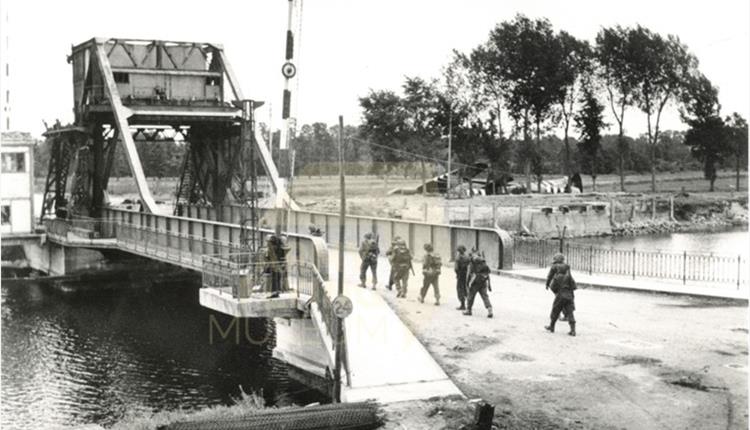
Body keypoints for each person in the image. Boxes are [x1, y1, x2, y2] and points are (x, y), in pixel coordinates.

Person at [544, 253, 577, 336]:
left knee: (555, 310)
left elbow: (552, 286)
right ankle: (573, 330)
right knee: (570, 312)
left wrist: (547, 285)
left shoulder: (557, 277)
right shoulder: (568, 275)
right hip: (569, 295)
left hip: (560, 295)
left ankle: (552, 327)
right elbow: (574, 286)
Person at [463, 252, 493, 318]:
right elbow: (488, 272)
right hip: (483, 280)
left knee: (471, 296)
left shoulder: (471, 263)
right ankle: (489, 309)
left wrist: (468, 284)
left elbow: (468, 274)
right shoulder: (483, 262)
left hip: (475, 282)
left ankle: (468, 310)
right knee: (485, 296)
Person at [454, 245, 471, 310]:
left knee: (460, 289)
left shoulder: (458, 258)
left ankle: (462, 305)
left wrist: (457, 274)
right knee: (466, 288)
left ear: (459, 251)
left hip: (460, 275)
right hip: (466, 274)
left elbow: (456, 268)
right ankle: (469, 304)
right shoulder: (467, 257)